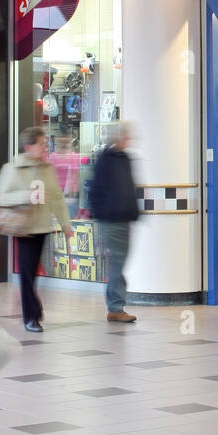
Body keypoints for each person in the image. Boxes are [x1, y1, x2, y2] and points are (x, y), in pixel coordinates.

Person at [0, 126, 74, 333]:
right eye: (41, 143)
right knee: (27, 273)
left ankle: (34, 310)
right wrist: (23, 197)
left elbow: (57, 199)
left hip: (43, 227)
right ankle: (31, 316)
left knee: (33, 273)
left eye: (46, 143)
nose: (45, 147)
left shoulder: (48, 169)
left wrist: (66, 224)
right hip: (24, 228)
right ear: (29, 147)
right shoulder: (13, 168)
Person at [88, 122, 138, 323]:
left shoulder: (124, 159)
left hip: (124, 218)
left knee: (120, 262)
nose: (129, 141)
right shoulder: (105, 160)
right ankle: (116, 307)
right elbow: (95, 191)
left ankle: (116, 305)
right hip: (111, 220)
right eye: (126, 137)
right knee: (117, 262)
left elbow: (129, 187)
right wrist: (104, 213)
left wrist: (133, 212)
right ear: (118, 138)